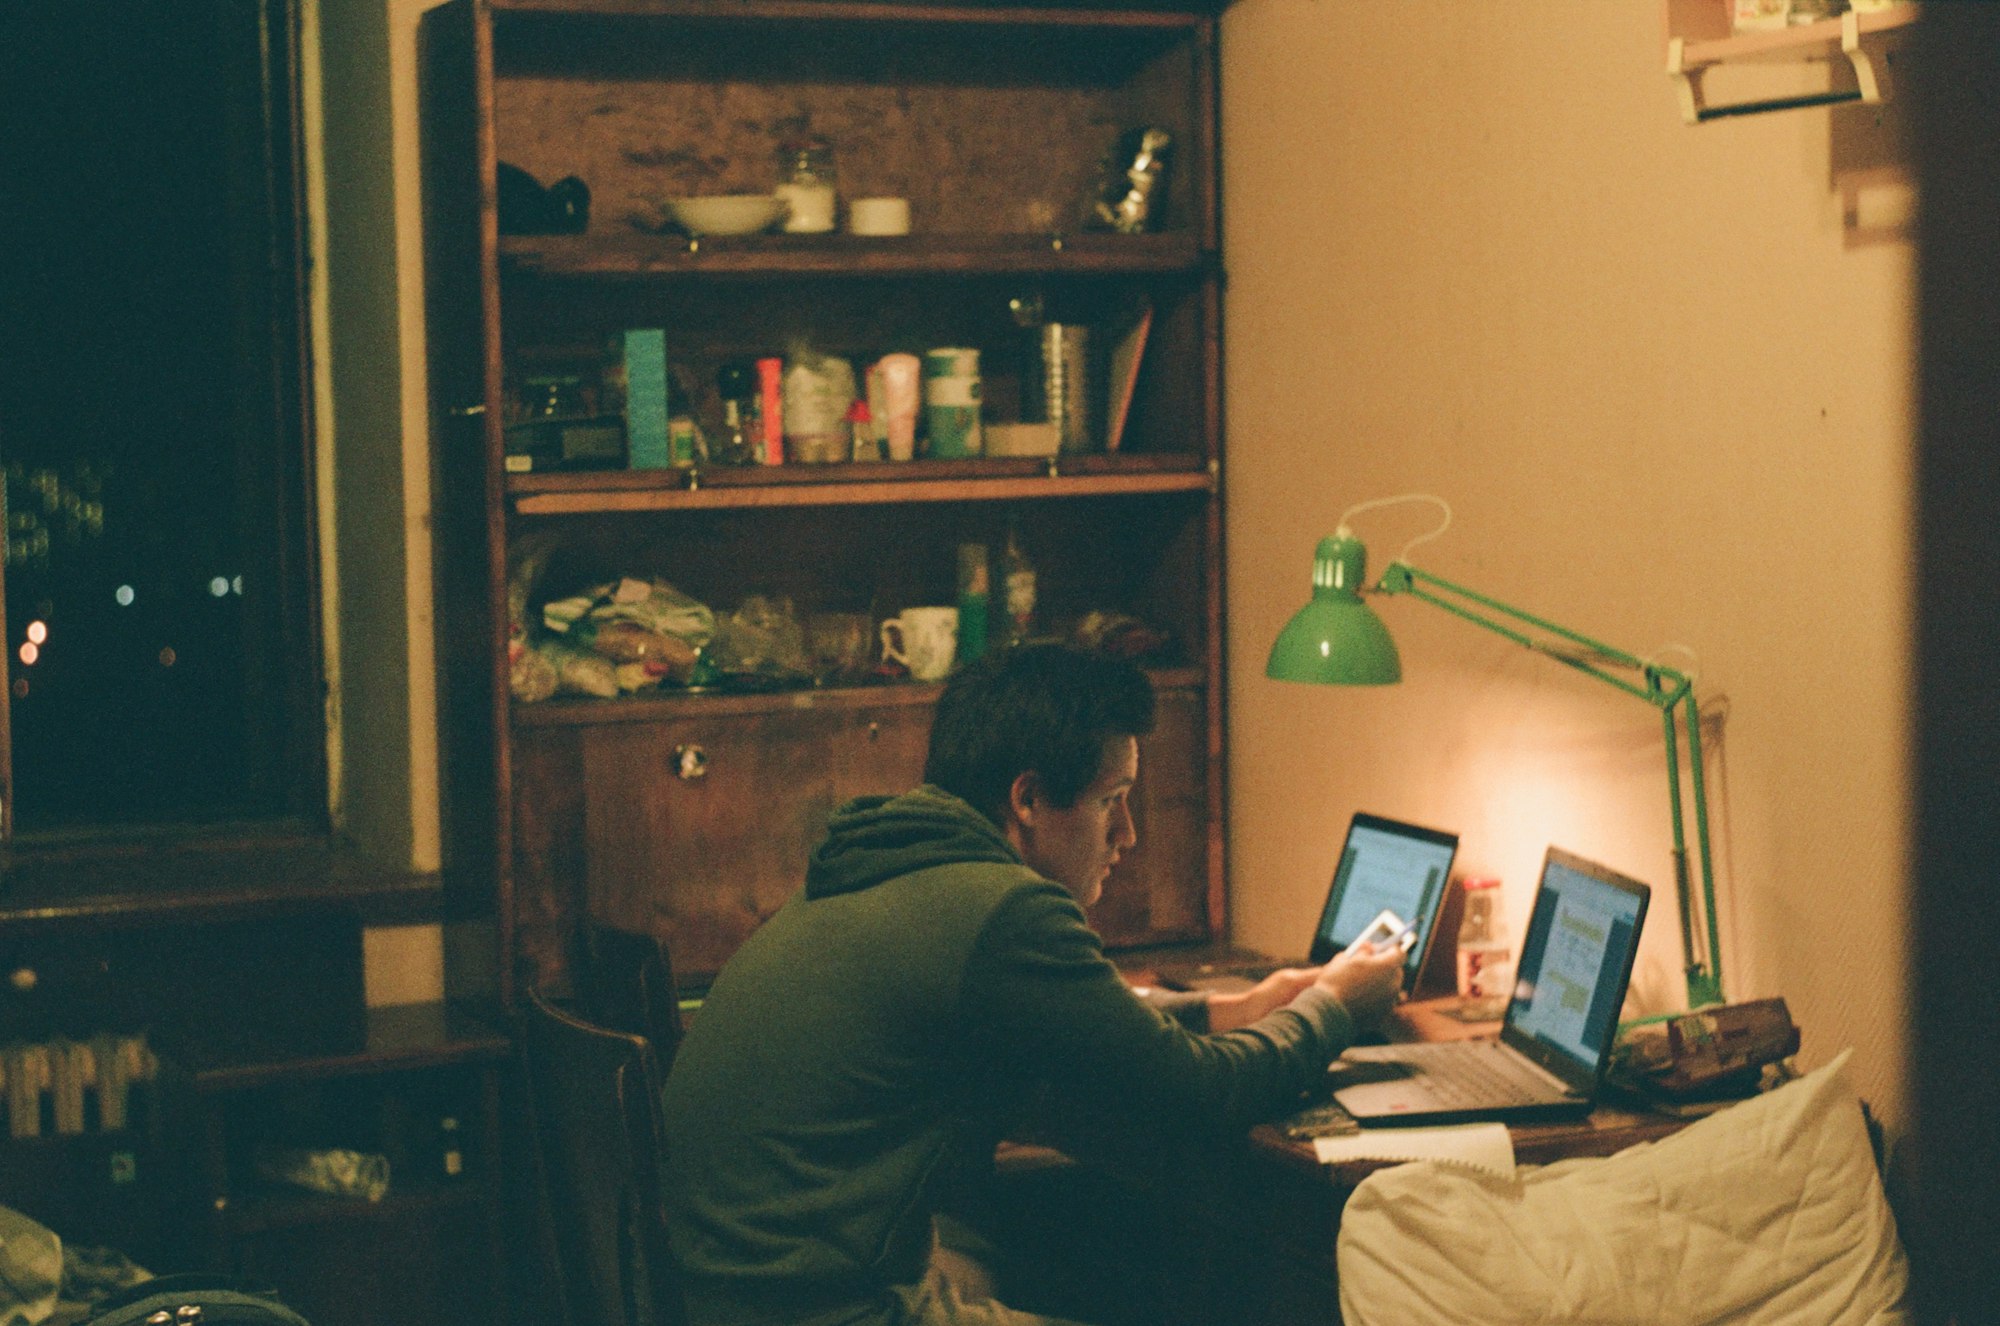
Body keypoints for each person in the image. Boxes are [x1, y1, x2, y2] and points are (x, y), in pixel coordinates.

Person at [660, 644, 1406, 1326]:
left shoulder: (891, 864)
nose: (1129, 835)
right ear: (1028, 801)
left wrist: (1228, 1007)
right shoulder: (1001, 906)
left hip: (725, 1291)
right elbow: (1202, 1093)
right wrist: (1335, 1005)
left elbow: (1078, 1022)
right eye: (1113, 800)